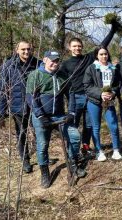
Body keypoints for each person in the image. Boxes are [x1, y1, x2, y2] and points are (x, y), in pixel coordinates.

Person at [59, 20, 122, 156]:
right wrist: (66, 97)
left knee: (89, 125)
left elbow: (102, 45)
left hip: (90, 97)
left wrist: (112, 30)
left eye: (79, 46)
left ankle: (86, 147)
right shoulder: (65, 64)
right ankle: (73, 152)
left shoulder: (88, 59)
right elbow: (62, 83)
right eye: (74, 46)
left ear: (82, 47)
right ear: (69, 48)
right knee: (74, 125)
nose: (77, 48)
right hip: (74, 98)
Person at [26, 51, 84, 188]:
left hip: (59, 115)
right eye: (52, 60)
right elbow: (31, 98)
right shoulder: (36, 75)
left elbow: (71, 94)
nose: (55, 63)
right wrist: (40, 115)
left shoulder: (62, 76)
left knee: (75, 137)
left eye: (57, 60)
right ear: (45, 59)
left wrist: (71, 112)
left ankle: (73, 164)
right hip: (41, 116)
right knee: (42, 145)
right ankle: (45, 172)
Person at [0, 41, 41, 173]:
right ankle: (25, 160)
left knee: (40, 132)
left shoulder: (37, 64)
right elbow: (2, 90)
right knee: (21, 134)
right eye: (23, 49)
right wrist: (1, 113)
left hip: (35, 106)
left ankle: (41, 156)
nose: (26, 52)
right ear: (17, 50)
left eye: (28, 49)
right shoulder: (9, 66)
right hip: (18, 107)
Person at [83, 46, 122, 162]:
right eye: (101, 54)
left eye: (105, 54)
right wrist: (100, 93)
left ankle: (116, 150)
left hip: (109, 101)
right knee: (96, 127)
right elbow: (87, 86)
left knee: (113, 125)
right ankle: (99, 151)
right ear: (96, 55)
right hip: (94, 101)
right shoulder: (91, 68)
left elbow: (117, 84)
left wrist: (113, 93)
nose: (104, 56)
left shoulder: (113, 68)